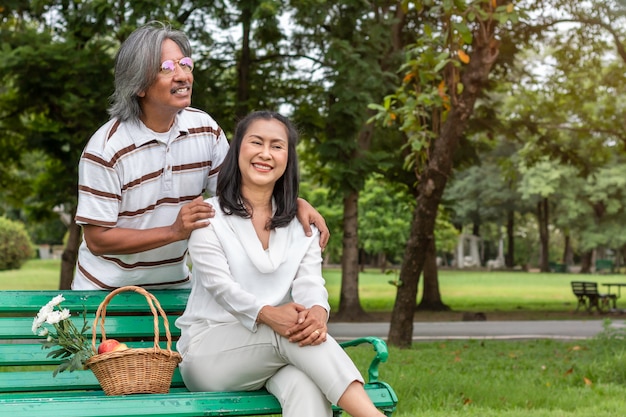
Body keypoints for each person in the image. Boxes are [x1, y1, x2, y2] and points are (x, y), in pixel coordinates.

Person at [71, 22, 328, 290]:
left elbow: (238, 194)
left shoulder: (205, 130)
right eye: (166, 68)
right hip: (104, 293)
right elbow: (97, 239)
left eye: (185, 64)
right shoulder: (106, 149)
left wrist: (292, 202)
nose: (182, 75)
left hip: (176, 288)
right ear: (139, 85)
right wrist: (173, 231)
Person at [175, 111, 386, 417]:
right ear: (237, 152)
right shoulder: (209, 217)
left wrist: (317, 312)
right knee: (288, 332)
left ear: (288, 158)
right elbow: (221, 287)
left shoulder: (302, 223)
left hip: (276, 350)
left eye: (277, 146)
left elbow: (311, 283)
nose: (265, 153)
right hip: (210, 355)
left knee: (306, 384)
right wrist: (270, 315)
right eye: (256, 142)